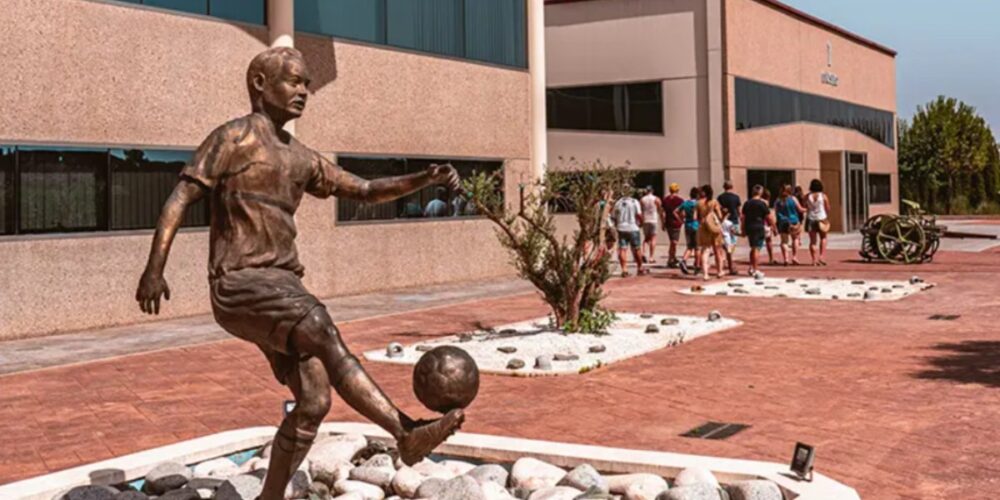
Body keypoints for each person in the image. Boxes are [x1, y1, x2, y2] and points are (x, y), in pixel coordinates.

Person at [134, 47, 464, 500]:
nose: (304, 92)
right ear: (259, 83)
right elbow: (178, 200)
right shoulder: (231, 139)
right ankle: (405, 431)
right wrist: (155, 269)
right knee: (320, 325)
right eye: (293, 81)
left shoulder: (302, 157)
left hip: (283, 288)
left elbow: (364, 190)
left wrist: (423, 179)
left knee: (314, 399)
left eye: (307, 83)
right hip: (240, 284)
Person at [613, 190, 646, 277]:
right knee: (637, 248)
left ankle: (624, 269)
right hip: (633, 227)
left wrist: (617, 224)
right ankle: (640, 268)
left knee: (623, 249)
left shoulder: (618, 203)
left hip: (621, 228)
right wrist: (641, 222)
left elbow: (614, 216)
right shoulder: (634, 202)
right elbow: (638, 214)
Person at [741, 185, 771, 276]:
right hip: (758, 226)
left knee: (753, 247)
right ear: (760, 192)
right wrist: (773, 226)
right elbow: (768, 216)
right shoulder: (762, 204)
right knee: (757, 248)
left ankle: (751, 267)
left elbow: (743, 217)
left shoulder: (747, 203)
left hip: (749, 226)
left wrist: (743, 229)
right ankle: (755, 269)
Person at [696, 184, 725, 280]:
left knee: (705, 250)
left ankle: (705, 274)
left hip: (704, 226)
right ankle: (720, 271)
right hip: (714, 226)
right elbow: (720, 216)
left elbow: (695, 217)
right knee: (718, 250)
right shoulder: (714, 202)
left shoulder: (698, 203)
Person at [775, 184, 805, 265]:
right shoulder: (793, 199)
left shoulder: (778, 200)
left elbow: (776, 212)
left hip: (782, 222)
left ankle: (786, 259)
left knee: (784, 241)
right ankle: (794, 257)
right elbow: (800, 209)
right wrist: (808, 209)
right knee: (795, 239)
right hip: (794, 221)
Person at [716, 181, 742, 275]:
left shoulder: (720, 197)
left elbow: (718, 209)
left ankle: (727, 259)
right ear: (732, 186)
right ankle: (730, 262)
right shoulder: (736, 197)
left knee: (726, 242)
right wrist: (741, 220)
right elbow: (739, 211)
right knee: (732, 242)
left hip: (724, 221)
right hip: (734, 221)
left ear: (724, 187)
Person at [674, 186, 701, 275]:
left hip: (687, 225)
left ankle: (684, 260)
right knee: (697, 247)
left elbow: (675, 211)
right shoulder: (698, 204)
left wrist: (681, 220)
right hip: (696, 225)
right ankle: (697, 265)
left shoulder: (685, 203)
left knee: (690, 246)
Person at [805, 178, 832, 266]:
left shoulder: (807, 196)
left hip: (811, 218)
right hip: (822, 218)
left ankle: (813, 260)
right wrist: (826, 216)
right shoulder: (823, 196)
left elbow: (804, 205)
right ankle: (821, 256)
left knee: (812, 241)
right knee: (823, 238)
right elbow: (828, 207)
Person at [661, 183, 685, 268]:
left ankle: (673, 257)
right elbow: (682, 212)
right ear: (677, 190)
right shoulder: (680, 200)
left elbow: (663, 213)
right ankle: (670, 259)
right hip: (676, 223)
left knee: (673, 241)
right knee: (674, 242)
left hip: (668, 223)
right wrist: (682, 220)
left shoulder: (665, 200)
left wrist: (663, 223)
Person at [640, 186, 662, 264]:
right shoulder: (656, 199)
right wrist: (662, 220)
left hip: (645, 219)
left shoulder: (642, 199)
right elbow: (660, 210)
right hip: (653, 219)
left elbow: (641, 210)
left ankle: (643, 253)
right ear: (652, 191)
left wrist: (640, 221)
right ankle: (651, 257)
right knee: (653, 238)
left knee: (646, 238)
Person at [761, 188, 776, 265]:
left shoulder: (758, 201)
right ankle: (771, 258)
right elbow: (768, 215)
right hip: (765, 224)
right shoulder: (765, 203)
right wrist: (773, 226)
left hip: (759, 223)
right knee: (769, 241)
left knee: (759, 242)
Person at [720, 207, 737, 273]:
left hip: (720, 238)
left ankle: (721, 268)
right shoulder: (729, 223)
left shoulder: (718, 221)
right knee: (729, 253)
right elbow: (733, 231)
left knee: (720, 253)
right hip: (727, 239)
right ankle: (730, 268)